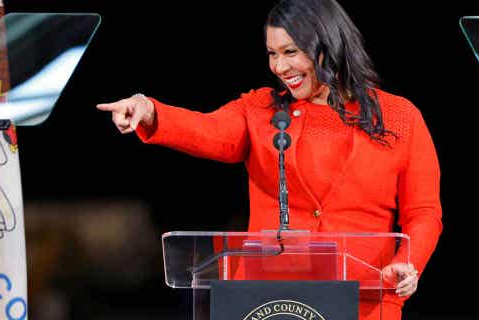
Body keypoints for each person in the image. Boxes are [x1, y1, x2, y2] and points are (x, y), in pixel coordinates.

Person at [96, 0, 442, 319]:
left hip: (365, 300)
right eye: (272, 54)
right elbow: (208, 130)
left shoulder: (398, 117)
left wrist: (405, 263)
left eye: (290, 52)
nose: (279, 66)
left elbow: (423, 213)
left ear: (329, 45)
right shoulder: (262, 111)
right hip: (272, 302)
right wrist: (150, 111)